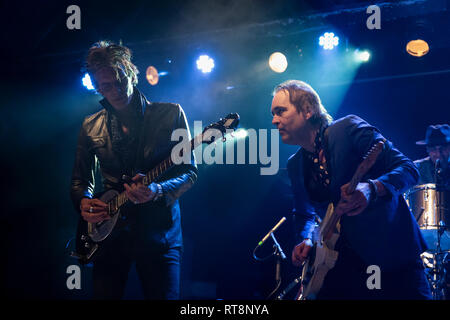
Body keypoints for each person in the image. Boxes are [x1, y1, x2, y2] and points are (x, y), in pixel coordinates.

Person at [270, 80, 431, 299]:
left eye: (281, 111)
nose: (274, 120)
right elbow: (304, 213)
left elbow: (409, 169)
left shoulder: (347, 129)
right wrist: (305, 239)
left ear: (307, 110)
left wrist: (372, 188)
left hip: (390, 256)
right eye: (273, 113)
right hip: (342, 262)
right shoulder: (295, 164)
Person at [70, 41, 197, 299]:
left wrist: (157, 189)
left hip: (159, 236)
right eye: (105, 86)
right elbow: (79, 180)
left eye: (119, 80)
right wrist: (83, 201)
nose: (115, 90)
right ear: (96, 87)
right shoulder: (90, 126)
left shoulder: (171, 114)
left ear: (130, 73)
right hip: (110, 235)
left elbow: (189, 173)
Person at [414, 124, 450, 189]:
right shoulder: (416, 169)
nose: (438, 153)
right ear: (427, 149)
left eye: (443, 148)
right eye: (433, 149)